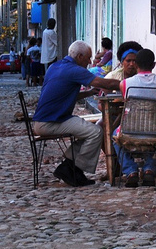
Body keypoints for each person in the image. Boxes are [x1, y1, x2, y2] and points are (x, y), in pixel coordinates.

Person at [31, 40, 122, 187]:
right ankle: (73, 169)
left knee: (88, 132)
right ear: (79, 56)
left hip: (44, 120)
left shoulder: (56, 66)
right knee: (96, 132)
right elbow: (105, 83)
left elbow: (66, 94)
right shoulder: (74, 70)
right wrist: (130, 84)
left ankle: (69, 166)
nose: (90, 61)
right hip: (51, 122)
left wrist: (87, 93)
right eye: (88, 58)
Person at [115, 49, 156, 187]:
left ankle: (130, 170)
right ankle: (149, 169)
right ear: (154, 64)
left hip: (130, 132)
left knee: (113, 136)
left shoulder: (125, 84)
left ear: (136, 65)